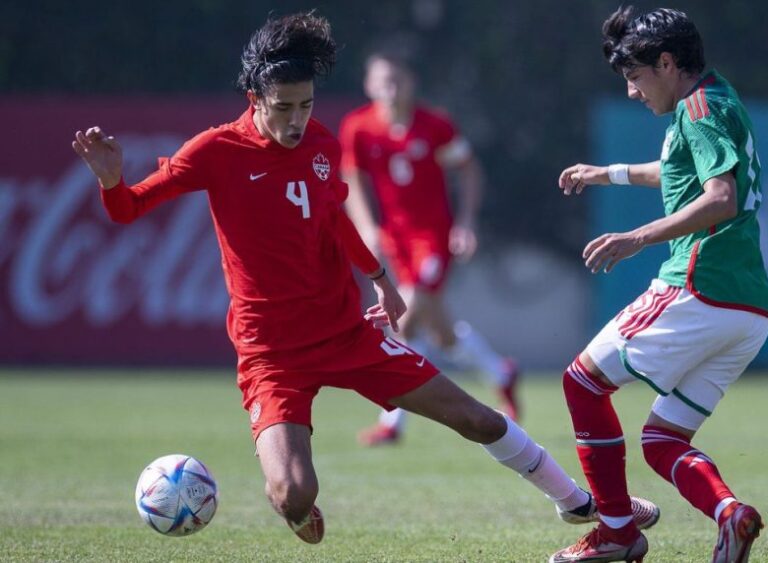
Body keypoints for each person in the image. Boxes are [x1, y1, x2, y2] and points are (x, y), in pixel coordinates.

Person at [71, 11, 658, 549]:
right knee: (292, 494)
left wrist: (381, 279)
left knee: (475, 417)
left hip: (346, 334)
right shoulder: (215, 150)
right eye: (284, 108)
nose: (297, 121)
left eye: (305, 105)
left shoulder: (323, 145)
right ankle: (302, 513)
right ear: (254, 99)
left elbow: (335, 223)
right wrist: (111, 180)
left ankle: (583, 503)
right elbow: (128, 209)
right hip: (270, 353)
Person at [549, 6, 768, 563]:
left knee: (582, 383)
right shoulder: (715, 99)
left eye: (635, 76)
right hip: (749, 310)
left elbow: (719, 197)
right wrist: (608, 173)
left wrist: (638, 238)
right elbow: (677, 171)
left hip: (700, 285)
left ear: (668, 63)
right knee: (662, 442)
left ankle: (618, 534)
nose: (631, 91)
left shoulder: (697, 111)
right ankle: (731, 514)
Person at [339, 48, 520, 447]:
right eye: (382, 80)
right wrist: (367, 227)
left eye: (397, 79)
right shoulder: (359, 127)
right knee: (441, 336)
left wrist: (466, 222)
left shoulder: (434, 125)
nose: (390, 88)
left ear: (411, 82)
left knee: (405, 314)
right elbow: (350, 179)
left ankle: (392, 423)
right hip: (395, 241)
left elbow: (470, 170)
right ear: (369, 86)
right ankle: (501, 373)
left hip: (433, 238)